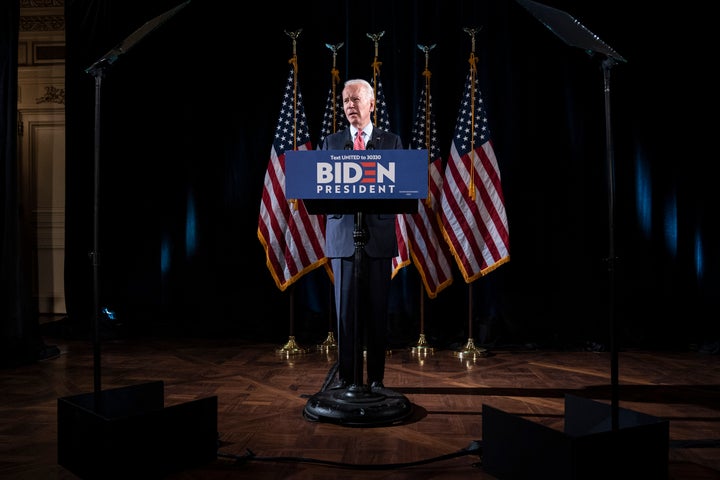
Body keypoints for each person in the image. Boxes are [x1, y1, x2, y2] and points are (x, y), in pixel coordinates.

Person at [320, 78, 403, 392]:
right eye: (345, 101)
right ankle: (346, 378)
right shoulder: (331, 143)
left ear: (371, 103)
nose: (349, 106)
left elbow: (398, 186)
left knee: (377, 313)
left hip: (378, 238)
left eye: (355, 99)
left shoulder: (390, 142)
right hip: (343, 238)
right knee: (345, 314)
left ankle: (377, 380)